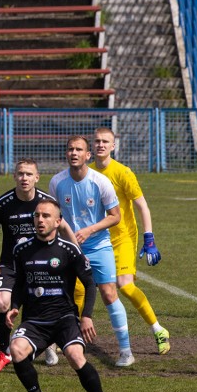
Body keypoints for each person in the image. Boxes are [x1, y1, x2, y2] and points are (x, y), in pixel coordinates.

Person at [5, 198, 114, 392]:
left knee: (75, 356)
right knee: (16, 350)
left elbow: (89, 283)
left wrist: (86, 316)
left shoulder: (69, 250)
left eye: (45, 216)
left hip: (65, 318)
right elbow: (19, 284)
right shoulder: (22, 249)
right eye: (37, 216)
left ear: (58, 221)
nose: (40, 220)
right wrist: (15, 307)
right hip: (35, 321)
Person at [49, 136, 133, 367]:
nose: (74, 153)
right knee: (57, 294)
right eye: (70, 149)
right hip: (67, 247)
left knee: (108, 293)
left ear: (88, 155)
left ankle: (126, 350)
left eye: (79, 150)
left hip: (98, 246)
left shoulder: (101, 182)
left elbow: (116, 216)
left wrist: (89, 230)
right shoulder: (57, 182)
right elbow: (52, 215)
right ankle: (50, 344)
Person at [90, 127, 170, 354]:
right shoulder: (87, 173)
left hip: (123, 237)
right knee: (78, 287)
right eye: (97, 141)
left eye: (105, 141)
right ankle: (65, 337)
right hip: (95, 240)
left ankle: (158, 330)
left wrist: (149, 237)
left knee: (125, 285)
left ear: (113, 146)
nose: (101, 145)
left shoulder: (123, 173)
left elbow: (142, 205)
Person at [0, 159, 68, 373]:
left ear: (37, 178)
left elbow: (64, 228)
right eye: (20, 174)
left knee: (44, 303)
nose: (24, 178)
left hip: (41, 264)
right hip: (11, 264)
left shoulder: (47, 202)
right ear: (14, 176)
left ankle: (48, 342)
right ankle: (4, 352)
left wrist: (76, 256)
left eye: (29, 174)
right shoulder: (3, 204)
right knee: (1, 302)